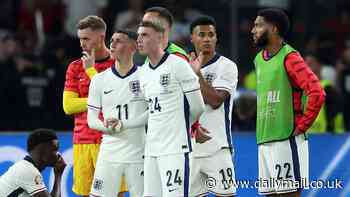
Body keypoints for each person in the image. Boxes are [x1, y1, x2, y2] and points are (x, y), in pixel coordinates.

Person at [251, 8, 325, 196]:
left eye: (259, 25)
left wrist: (302, 125)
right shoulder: (259, 59)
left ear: (274, 29)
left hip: (286, 140)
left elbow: (316, 91)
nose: (253, 30)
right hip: (264, 140)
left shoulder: (290, 57)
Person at [137, 20, 205, 197]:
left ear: (159, 37)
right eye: (138, 35)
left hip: (175, 149)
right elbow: (150, 111)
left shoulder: (178, 64)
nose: (139, 40)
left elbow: (198, 107)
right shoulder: (143, 71)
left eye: (144, 35)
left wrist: (181, 126)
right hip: (151, 149)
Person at [87, 29, 146, 196]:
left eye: (118, 41)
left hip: (138, 152)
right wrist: (108, 128)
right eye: (111, 40)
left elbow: (152, 112)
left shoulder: (145, 76)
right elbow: (91, 120)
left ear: (133, 47)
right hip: (109, 152)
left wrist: (124, 124)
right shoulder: (99, 79)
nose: (112, 44)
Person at [62, 15, 114, 197]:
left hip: (110, 140)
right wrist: (97, 101)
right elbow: (68, 106)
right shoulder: (75, 67)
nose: (82, 44)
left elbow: (115, 100)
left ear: (101, 37)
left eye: (86, 38)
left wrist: (91, 71)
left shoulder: (117, 64)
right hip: (82, 142)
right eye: (80, 39)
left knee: (115, 193)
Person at [189, 15, 238, 197]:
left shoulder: (227, 66)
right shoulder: (183, 68)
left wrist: (197, 75)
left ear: (216, 38)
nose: (207, 39)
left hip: (218, 149)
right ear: (192, 38)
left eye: (211, 34)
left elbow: (216, 100)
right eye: (201, 35)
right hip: (190, 150)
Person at [0, 128, 66, 197]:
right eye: (55, 149)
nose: (58, 154)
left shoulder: (25, 167)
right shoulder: (28, 170)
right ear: (42, 149)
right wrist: (58, 175)